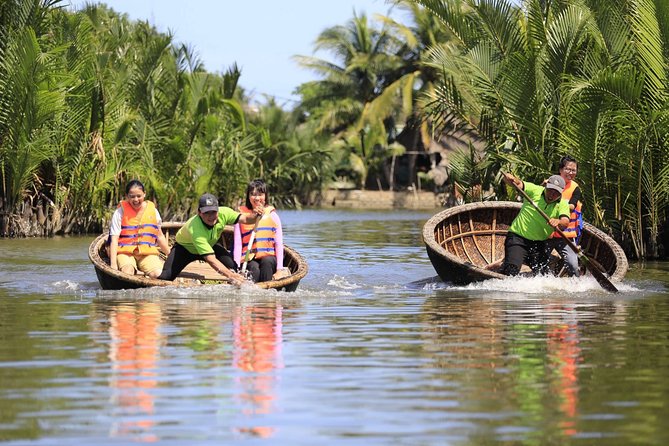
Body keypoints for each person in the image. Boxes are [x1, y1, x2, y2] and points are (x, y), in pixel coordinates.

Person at [157, 193, 261, 286]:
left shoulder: (224, 213)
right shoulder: (195, 229)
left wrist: (255, 215)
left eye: (213, 212)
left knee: (233, 267)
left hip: (210, 245)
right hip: (185, 249)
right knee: (165, 277)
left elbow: (246, 219)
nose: (211, 216)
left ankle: (237, 286)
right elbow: (211, 260)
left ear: (218, 210)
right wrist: (230, 275)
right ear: (199, 213)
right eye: (207, 213)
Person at [501, 173, 570, 276]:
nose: (551, 195)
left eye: (556, 193)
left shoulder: (563, 203)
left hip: (539, 244)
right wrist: (509, 178)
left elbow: (565, 222)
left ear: (561, 193)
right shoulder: (534, 190)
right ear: (546, 186)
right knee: (511, 271)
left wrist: (558, 222)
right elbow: (517, 183)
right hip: (518, 238)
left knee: (543, 276)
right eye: (550, 190)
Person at [108, 180, 170, 278]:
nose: (136, 199)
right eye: (132, 196)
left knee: (158, 274)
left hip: (146, 253)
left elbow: (160, 236)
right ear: (127, 196)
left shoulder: (153, 211)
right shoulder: (119, 212)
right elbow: (114, 239)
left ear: (144, 194)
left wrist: (170, 256)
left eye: (139, 196)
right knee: (128, 272)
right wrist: (113, 264)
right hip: (125, 253)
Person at [233, 179, 287, 282]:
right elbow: (238, 245)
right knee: (254, 268)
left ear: (266, 196)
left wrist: (279, 270)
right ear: (248, 196)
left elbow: (279, 244)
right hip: (249, 258)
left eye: (260, 194)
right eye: (253, 194)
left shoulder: (273, 216)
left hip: (269, 257)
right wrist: (237, 269)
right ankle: (255, 292)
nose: (257, 198)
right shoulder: (241, 217)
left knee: (267, 262)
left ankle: (266, 290)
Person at [545, 156, 583, 276]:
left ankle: (575, 285)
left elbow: (572, 205)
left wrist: (561, 205)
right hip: (547, 232)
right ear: (561, 169)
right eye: (568, 169)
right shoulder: (549, 183)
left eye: (574, 170)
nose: (571, 173)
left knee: (573, 265)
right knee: (540, 261)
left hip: (565, 234)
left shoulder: (575, 188)